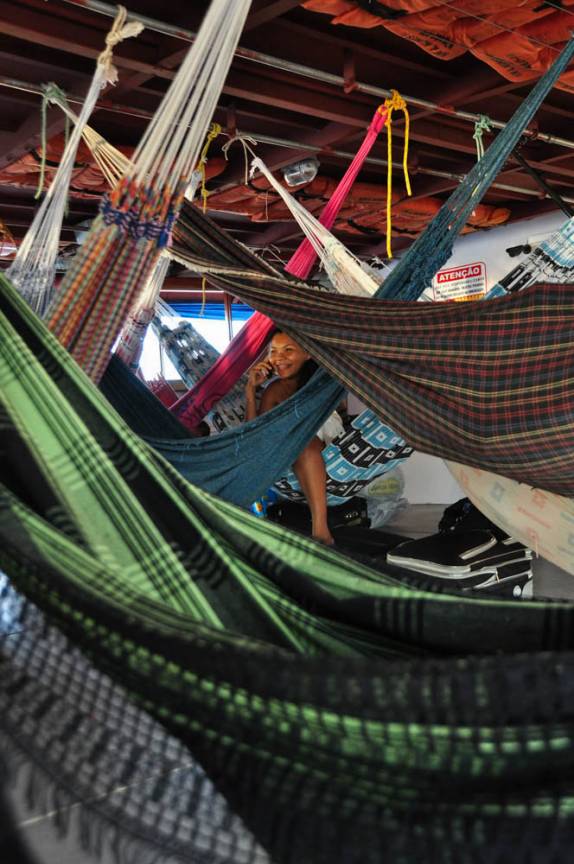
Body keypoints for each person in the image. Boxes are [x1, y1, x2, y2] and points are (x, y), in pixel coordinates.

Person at [246, 330, 341, 546]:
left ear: (307, 353)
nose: (278, 358)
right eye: (274, 351)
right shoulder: (274, 390)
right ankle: (321, 532)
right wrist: (251, 391)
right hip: (294, 447)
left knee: (302, 440)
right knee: (298, 441)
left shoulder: (322, 380)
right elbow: (254, 435)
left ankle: (321, 530)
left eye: (288, 350)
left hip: (327, 436)